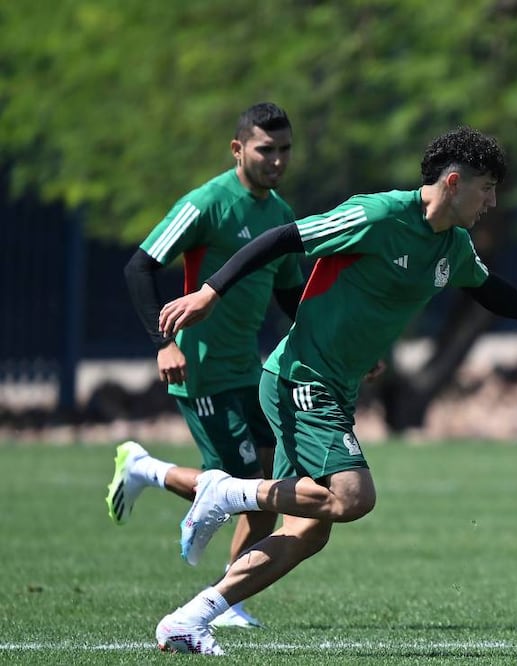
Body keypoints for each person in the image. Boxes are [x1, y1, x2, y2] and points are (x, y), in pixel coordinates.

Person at [150, 126, 517, 655]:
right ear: (453, 183)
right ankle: (225, 492)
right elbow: (283, 239)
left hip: (335, 387)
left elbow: (493, 293)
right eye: (487, 189)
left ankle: (189, 619)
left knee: (309, 531)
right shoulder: (377, 215)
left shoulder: (453, 245)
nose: (493, 202)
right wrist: (209, 292)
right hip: (301, 377)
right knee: (354, 497)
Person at [106, 102, 305, 629]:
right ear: (238, 149)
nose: (277, 160)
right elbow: (140, 267)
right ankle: (145, 471)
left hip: (249, 370)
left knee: (266, 487)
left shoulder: (280, 214)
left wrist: (335, 345)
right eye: (266, 149)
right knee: (247, 488)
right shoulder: (207, 204)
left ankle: (228, 595)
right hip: (201, 369)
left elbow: (290, 292)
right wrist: (164, 342)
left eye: (285, 149)